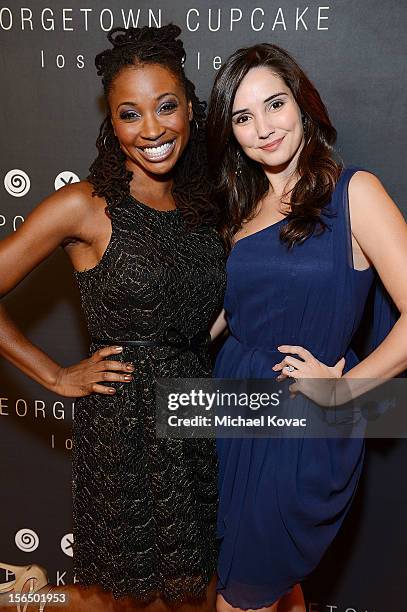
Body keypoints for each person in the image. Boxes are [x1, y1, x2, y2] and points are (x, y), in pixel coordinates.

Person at [0, 25, 226, 611]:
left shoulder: (203, 203)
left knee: (199, 592)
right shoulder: (86, 205)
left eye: (166, 107)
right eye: (131, 114)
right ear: (112, 121)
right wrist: (53, 376)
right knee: (126, 600)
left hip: (194, 418)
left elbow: (202, 315)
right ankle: (26, 599)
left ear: (190, 108)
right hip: (125, 430)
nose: (151, 130)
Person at [206, 43, 407, 612]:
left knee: (242, 596)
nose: (264, 128)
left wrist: (346, 389)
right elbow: (230, 313)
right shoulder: (242, 208)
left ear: (303, 104)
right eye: (243, 117)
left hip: (298, 425)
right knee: (272, 586)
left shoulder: (354, 193)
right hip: (230, 414)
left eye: (275, 105)